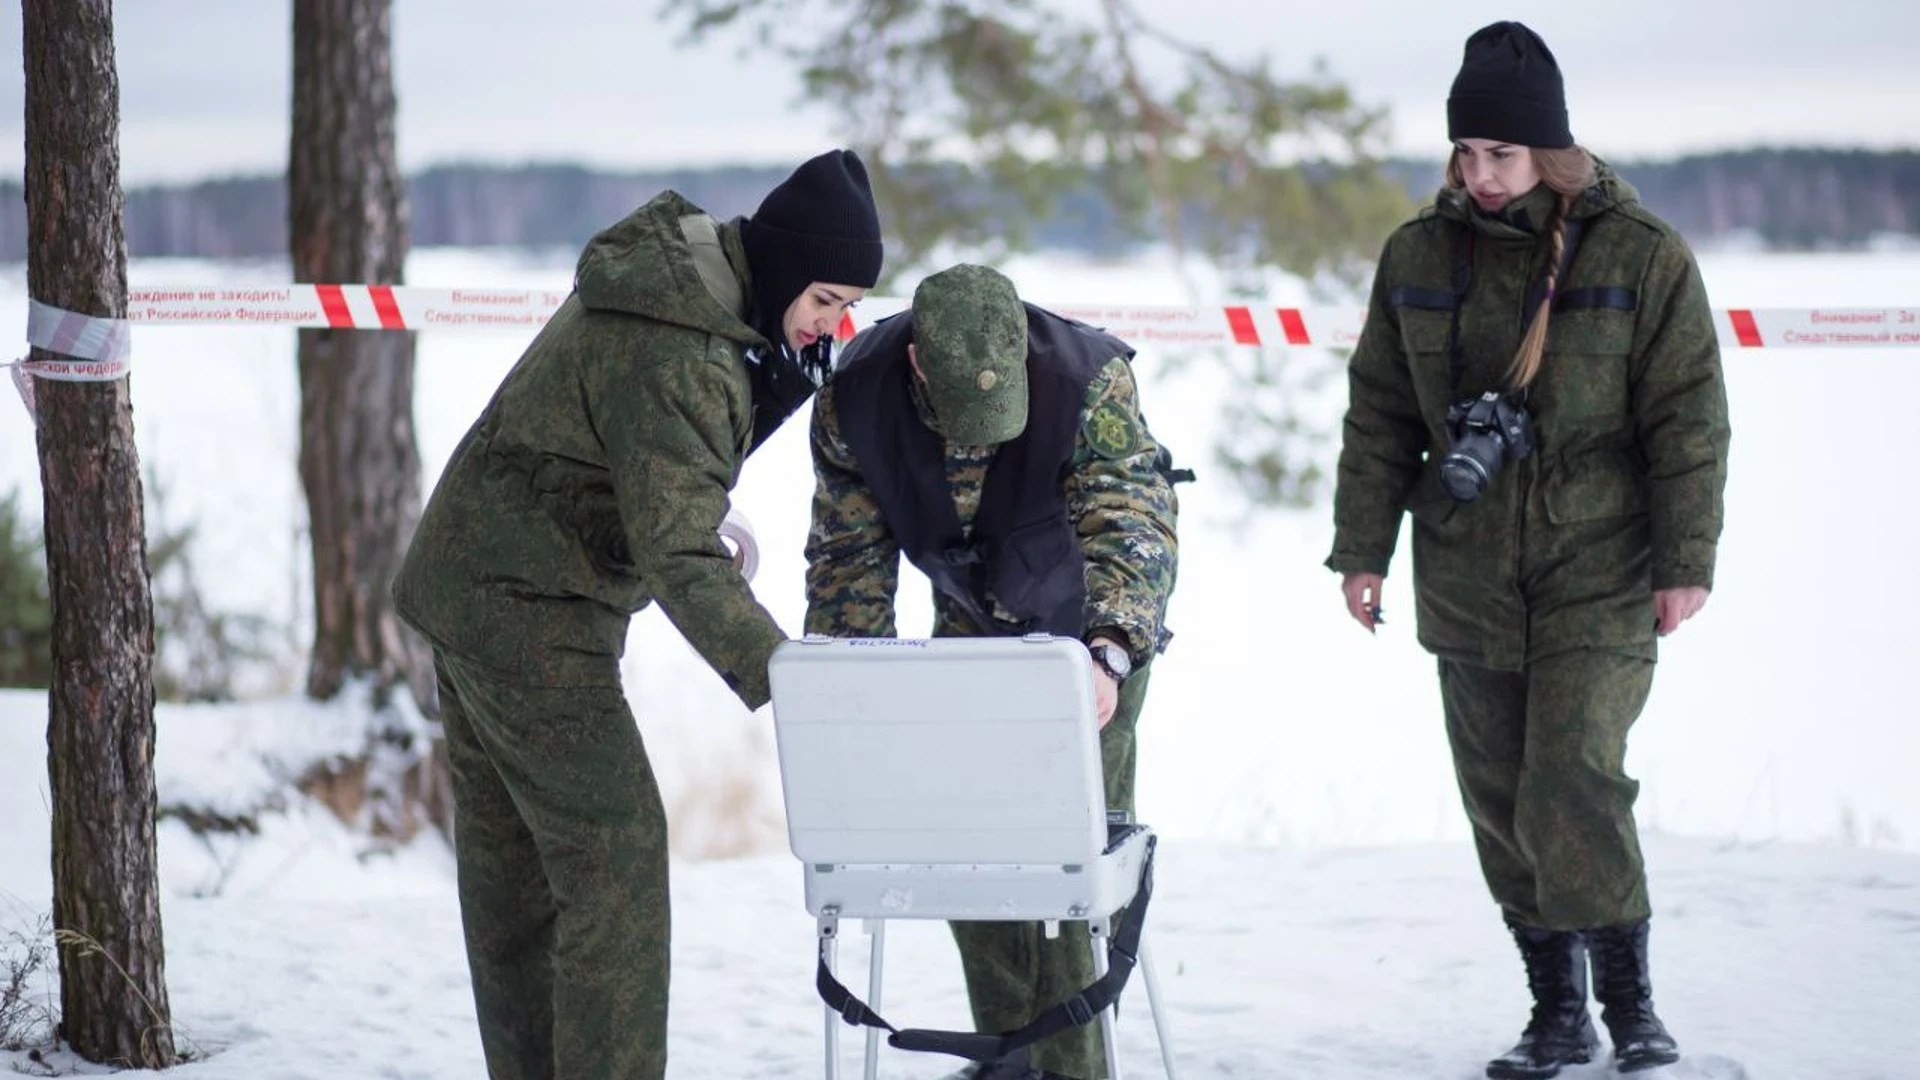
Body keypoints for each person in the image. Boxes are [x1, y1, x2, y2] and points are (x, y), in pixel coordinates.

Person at [391, 149, 883, 1080]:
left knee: (522, 881)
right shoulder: (684, 347)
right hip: (527, 609)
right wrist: (786, 673)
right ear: (781, 264)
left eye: (849, 302)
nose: (836, 321)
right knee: (614, 861)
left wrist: (768, 386)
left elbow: (643, 454)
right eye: (825, 297)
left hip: (472, 580)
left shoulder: (687, 291)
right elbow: (677, 550)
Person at [1324, 22, 1729, 1080]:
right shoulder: (1417, 255)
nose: (1480, 174)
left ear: (1549, 150)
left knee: (1573, 778)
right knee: (1502, 799)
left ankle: (1633, 1005)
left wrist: (1687, 558)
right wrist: (1360, 549)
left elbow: (1689, 419)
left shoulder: (1640, 257)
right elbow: (1378, 415)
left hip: (1601, 567)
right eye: (1467, 153)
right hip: (1464, 570)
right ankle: (1557, 1012)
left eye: (1501, 154)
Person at [803, 264, 1181, 1080]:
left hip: (1089, 638)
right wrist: (852, 696)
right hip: (969, 633)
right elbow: (848, 560)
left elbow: (1132, 519)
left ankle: (1077, 1068)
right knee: (969, 855)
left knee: (1072, 874)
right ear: (916, 367)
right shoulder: (856, 398)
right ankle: (1010, 1054)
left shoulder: (1088, 379)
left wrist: (1109, 650)